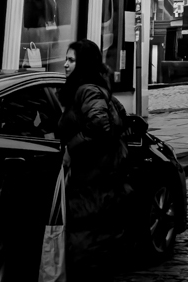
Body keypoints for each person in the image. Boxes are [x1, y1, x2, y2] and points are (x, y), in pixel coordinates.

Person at [57, 39, 127, 263]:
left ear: (84, 63)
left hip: (91, 183)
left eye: (71, 60)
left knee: (85, 250)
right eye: (65, 59)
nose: (65, 64)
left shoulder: (87, 90)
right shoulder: (85, 89)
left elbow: (100, 127)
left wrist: (71, 149)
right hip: (91, 182)